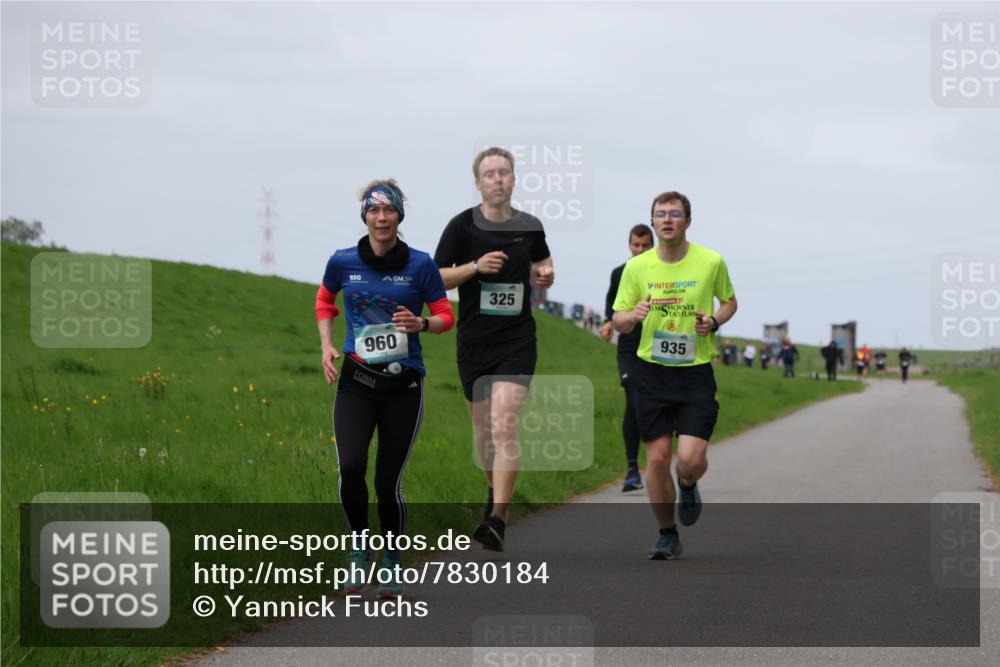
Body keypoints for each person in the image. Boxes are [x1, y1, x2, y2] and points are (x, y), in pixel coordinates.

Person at [316, 179, 455, 598]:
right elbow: (325, 302)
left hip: (403, 386)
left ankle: (392, 559)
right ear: (365, 216)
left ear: (399, 216)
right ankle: (359, 548)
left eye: (388, 210)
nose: (381, 218)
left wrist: (422, 323)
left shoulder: (420, 265)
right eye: (374, 211)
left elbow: (446, 316)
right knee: (351, 467)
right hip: (356, 382)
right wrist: (326, 345)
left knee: (386, 482)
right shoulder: (343, 261)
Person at [433, 147, 554, 552]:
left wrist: (545, 275)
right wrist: (474, 267)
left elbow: (544, 264)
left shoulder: (530, 226)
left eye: (504, 172)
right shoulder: (461, 227)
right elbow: (435, 278)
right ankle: (495, 491)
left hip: (517, 341)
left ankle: (497, 518)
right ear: (478, 182)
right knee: (484, 435)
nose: (498, 179)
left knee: (503, 424)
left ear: (514, 179)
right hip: (474, 344)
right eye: (490, 174)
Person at [612, 190, 737, 560]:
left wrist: (713, 321)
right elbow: (618, 318)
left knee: (690, 460)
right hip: (650, 373)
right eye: (661, 214)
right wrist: (632, 315)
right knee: (657, 459)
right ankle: (667, 534)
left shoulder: (711, 261)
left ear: (688, 221)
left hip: (695, 374)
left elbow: (729, 301)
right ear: (652, 222)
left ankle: (687, 482)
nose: (667, 219)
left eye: (675, 214)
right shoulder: (637, 268)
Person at [599, 224, 655, 492]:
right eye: (636, 245)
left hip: (657, 347)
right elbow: (612, 306)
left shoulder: (663, 272)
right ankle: (632, 470)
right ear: (629, 245)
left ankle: (660, 463)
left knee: (656, 404)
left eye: (645, 245)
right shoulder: (619, 273)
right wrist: (608, 323)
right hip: (630, 347)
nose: (640, 250)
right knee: (633, 401)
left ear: (653, 246)